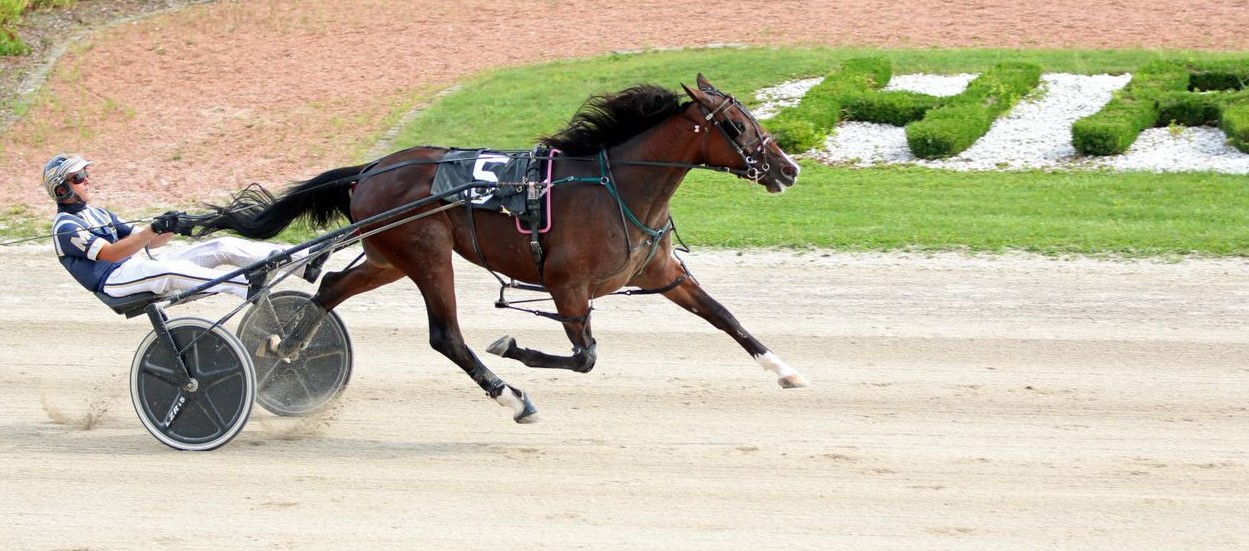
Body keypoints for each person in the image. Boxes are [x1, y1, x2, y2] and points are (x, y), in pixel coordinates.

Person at [43, 153, 326, 301]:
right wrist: (151, 229)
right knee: (166, 270)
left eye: (85, 173)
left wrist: (170, 226)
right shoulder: (65, 226)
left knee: (219, 246)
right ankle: (245, 285)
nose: (87, 179)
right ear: (61, 190)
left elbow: (150, 244)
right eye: (78, 176)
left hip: (138, 266)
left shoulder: (99, 213)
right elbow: (112, 254)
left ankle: (302, 261)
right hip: (116, 282)